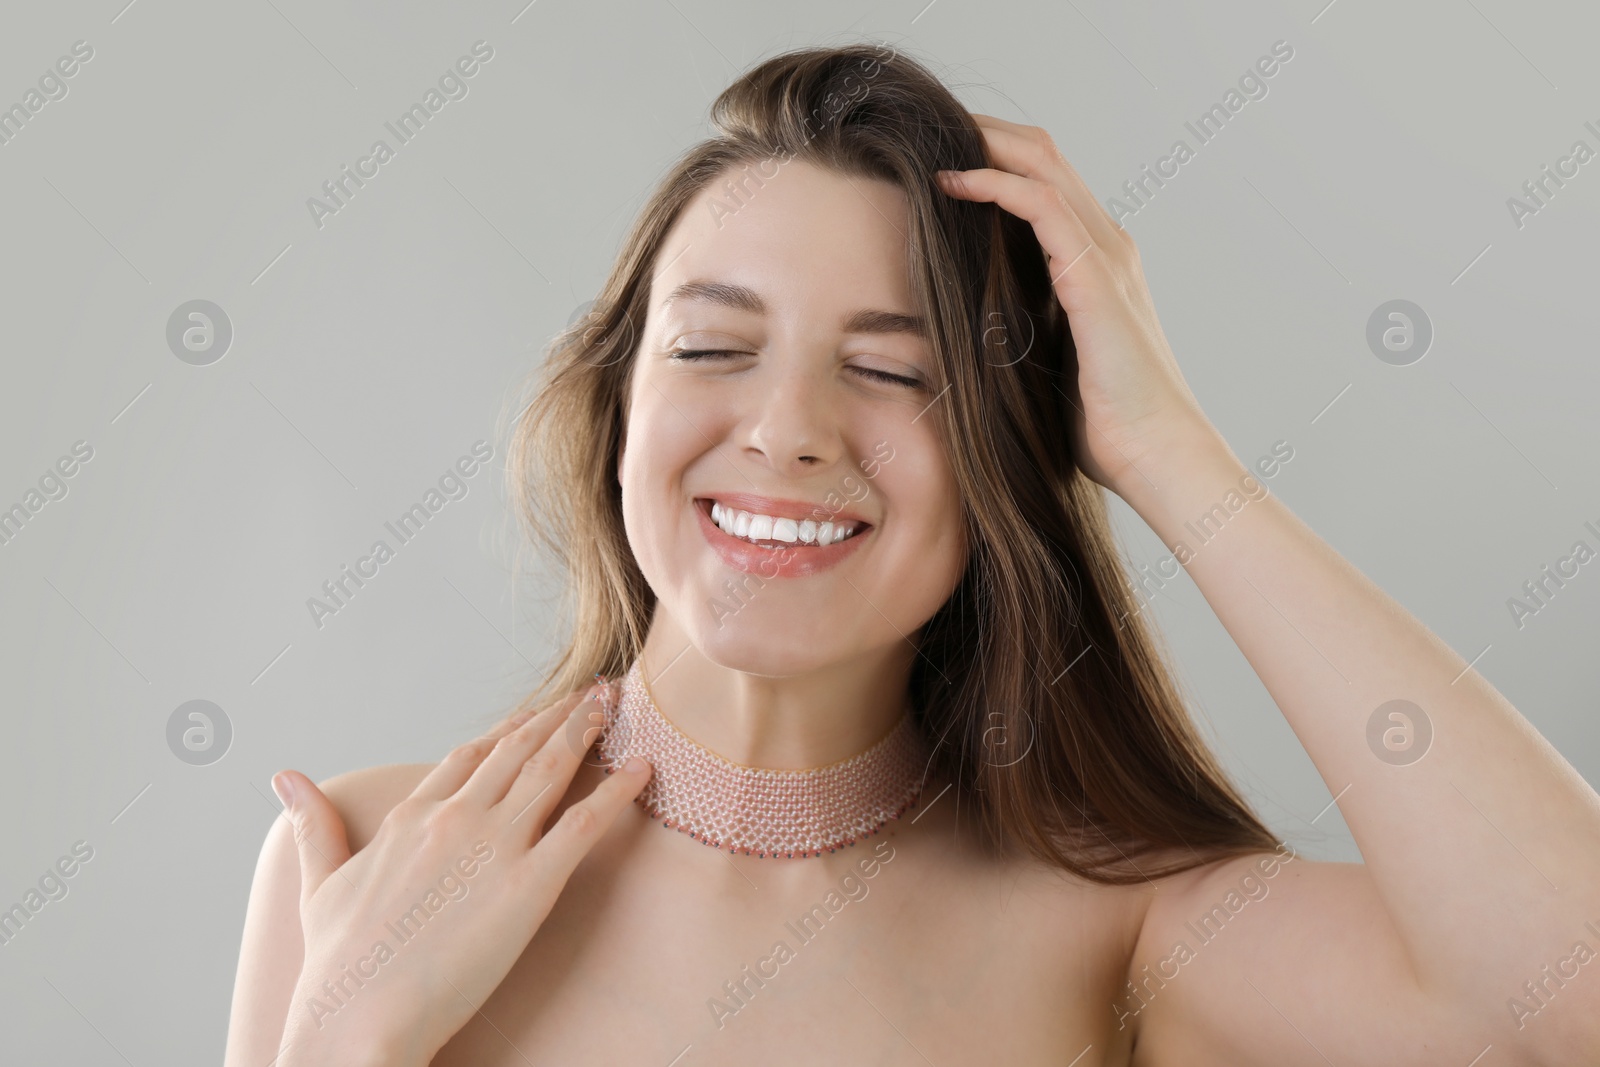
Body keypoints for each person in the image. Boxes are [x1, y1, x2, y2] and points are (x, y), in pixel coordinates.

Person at [223, 41, 1600, 1066]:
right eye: (712, 347)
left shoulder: (1113, 931)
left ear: (1013, 455)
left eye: (892, 372)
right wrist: (349, 1045)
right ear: (616, 413)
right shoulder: (360, 860)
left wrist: (1172, 456)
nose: (788, 431)